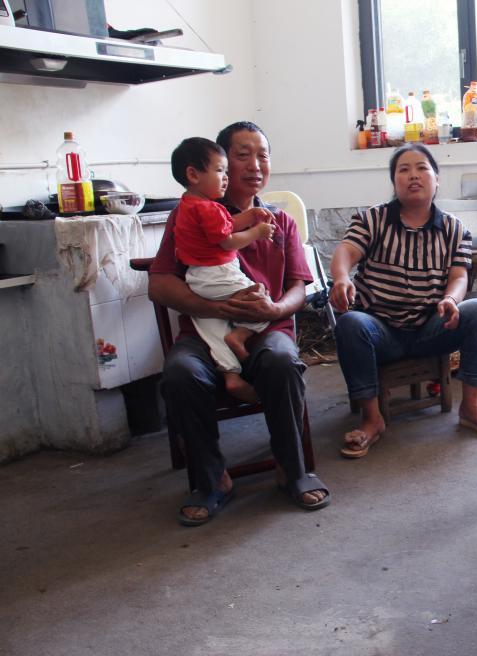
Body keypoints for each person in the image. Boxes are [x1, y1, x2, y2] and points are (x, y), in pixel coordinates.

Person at [150, 121, 329, 526]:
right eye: (242, 155)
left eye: (262, 155)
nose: (255, 165)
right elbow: (159, 285)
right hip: (205, 330)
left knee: (282, 361)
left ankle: (292, 470)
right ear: (219, 164)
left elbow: (298, 287)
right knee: (180, 373)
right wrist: (217, 307)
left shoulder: (280, 221)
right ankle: (212, 481)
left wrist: (274, 311)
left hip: (266, 328)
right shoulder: (189, 214)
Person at [330, 143, 477, 458]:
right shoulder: (372, 219)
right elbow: (346, 251)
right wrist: (341, 278)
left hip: (430, 330)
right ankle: (372, 419)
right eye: (404, 170)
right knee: (350, 323)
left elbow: (459, 277)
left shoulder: (455, 229)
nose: (413, 175)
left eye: (422, 168)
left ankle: (471, 406)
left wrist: (451, 299)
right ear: (394, 181)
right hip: (380, 332)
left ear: (437, 179)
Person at [169, 136, 277, 403]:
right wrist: (257, 231)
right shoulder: (209, 208)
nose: (225, 178)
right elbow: (227, 240)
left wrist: (250, 215)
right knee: (261, 300)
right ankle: (239, 336)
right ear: (193, 174)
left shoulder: (188, 205)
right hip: (218, 273)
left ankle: (231, 376)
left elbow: (225, 224)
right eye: (220, 170)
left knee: (214, 331)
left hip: (197, 280)